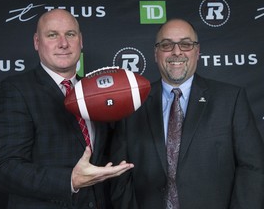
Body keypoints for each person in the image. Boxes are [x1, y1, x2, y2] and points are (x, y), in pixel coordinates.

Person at [109, 18, 264, 209]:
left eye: (186, 44)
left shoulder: (230, 100)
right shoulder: (132, 105)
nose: (176, 51)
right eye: (166, 45)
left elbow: (252, 168)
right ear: (155, 53)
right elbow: (119, 176)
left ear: (197, 52)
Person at [0, 9, 133, 209]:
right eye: (52, 35)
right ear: (37, 42)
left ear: (80, 41)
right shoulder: (16, 90)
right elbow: (4, 170)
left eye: (70, 34)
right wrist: (70, 180)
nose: (63, 43)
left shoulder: (96, 91)